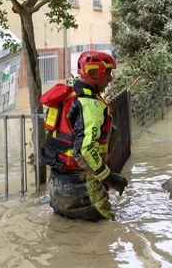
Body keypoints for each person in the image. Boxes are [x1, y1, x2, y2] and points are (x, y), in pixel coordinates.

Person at [40, 50, 128, 221]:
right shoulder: (90, 105)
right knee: (109, 229)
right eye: (108, 72)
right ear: (94, 73)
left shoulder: (69, 98)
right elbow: (84, 150)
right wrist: (109, 177)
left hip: (56, 188)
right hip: (80, 188)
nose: (110, 78)